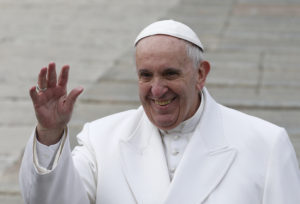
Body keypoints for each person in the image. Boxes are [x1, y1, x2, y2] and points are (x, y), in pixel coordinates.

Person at [19, 20, 300, 204]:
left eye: (169, 74)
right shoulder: (100, 139)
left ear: (200, 74)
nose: (156, 90)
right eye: (145, 75)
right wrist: (50, 134)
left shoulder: (266, 143)